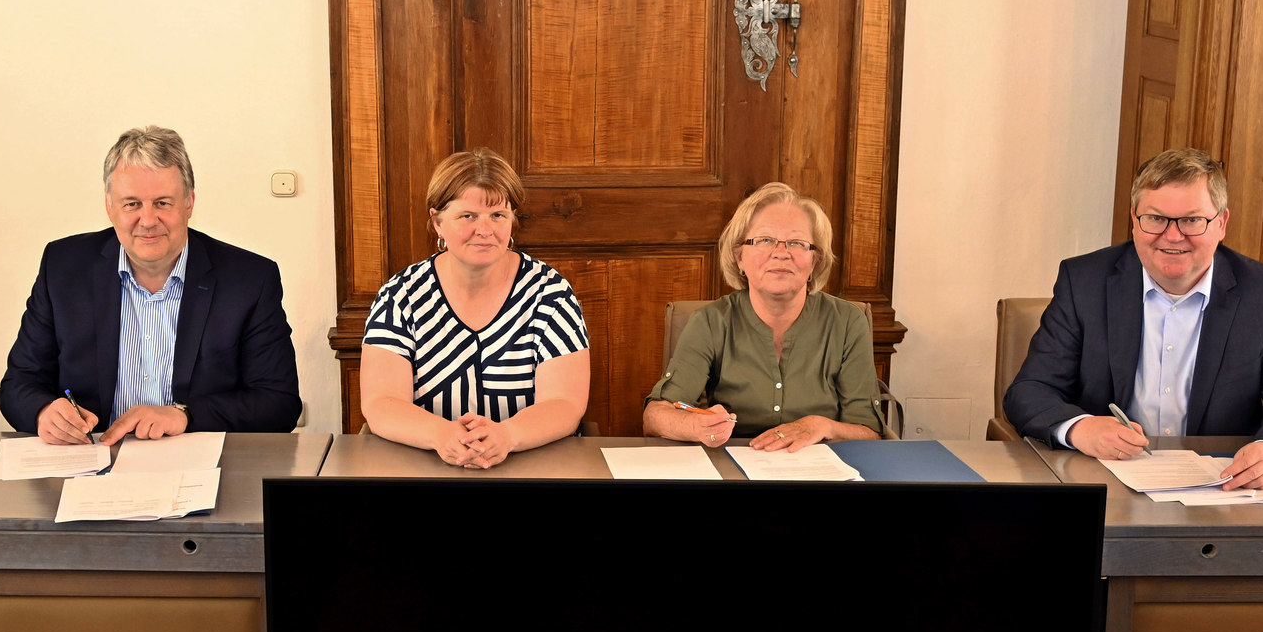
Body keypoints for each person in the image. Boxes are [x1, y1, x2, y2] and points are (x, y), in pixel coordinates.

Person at [1004, 147, 1263, 488]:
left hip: (1222, 487)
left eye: (1191, 220)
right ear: (1134, 220)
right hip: (1102, 481)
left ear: (1221, 223)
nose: (1173, 236)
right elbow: (1030, 390)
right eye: (1156, 218)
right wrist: (1080, 427)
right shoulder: (1084, 281)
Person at [0, 126, 300, 443]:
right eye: (131, 204)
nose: (147, 220)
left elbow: (278, 404)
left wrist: (186, 415)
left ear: (189, 203)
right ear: (109, 206)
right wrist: (43, 410)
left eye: (162, 203)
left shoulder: (249, 279)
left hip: (198, 467)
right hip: (91, 465)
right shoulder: (62, 268)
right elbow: (19, 384)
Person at [361, 148, 589, 468]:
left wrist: (508, 435)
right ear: (437, 221)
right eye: (468, 216)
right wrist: (441, 435)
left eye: (498, 215)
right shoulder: (401, 295)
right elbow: (380, 402)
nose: (485, 230)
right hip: (421, 472)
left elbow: (565, 403)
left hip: (533, 471)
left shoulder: (550, 293)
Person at [644, 181, 884, 450]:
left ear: (815, 260)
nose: (781, 253)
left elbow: (869, 432)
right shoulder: (711, 321)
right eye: (765, 240)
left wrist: (821, 426)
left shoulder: (848, 321)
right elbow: (655, 417)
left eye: (797, 242)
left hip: (821, 476)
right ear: (740, 258)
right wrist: (696, 426)